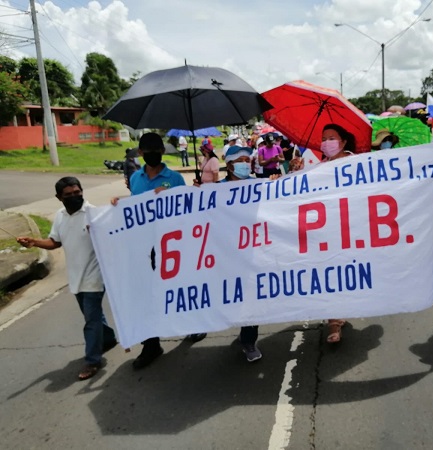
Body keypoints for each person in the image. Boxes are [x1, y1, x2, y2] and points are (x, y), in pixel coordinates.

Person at [114, 132, 206, 369]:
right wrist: (119, 203)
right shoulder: (135, 179)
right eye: (148, 151)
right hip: (142, 247)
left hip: (171, 246)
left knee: (179, 287)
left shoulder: (174, 178)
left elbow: (187, 210)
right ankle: (151, 344)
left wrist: (185, 194)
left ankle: (193, 324)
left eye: (157, 150)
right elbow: (134, 206)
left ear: (162, 152)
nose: (153, 154)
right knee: (145, 294)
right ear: (141, 153)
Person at [16, 177, 117, 381]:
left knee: (91, 318)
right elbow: (55, 242)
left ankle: (92, 360)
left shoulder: (93, 214)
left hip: (94, 276)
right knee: (93, 315)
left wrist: (110, 217)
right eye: (68, 195)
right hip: (75, 276)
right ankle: (108, 338)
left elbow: (113, 237)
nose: (74, 197)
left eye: (77, 192)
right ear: (59, 197)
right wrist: (34, 241)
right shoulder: (60, 216)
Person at [213, 144, 263, 362]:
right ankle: (243, 329)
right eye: (240, 161)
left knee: (251, 296)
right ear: (229, 164)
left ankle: (249, 340)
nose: (245, 164)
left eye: (247, 160)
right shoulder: (216, 189)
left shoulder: (257, 185)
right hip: (226, 253)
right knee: (234, 296)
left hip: (252, 250)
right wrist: (195, 193)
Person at [320, 123, 357, 343]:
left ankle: (342, 310)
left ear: (343, 141)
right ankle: (333, 321)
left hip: (353, 229)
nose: (327, 142)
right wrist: (297, 172)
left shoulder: (357, 163)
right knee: (329, 272)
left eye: (332, 138)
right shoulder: (318, 166)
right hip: (327, 231)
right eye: (324, 139)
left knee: (347, 272)